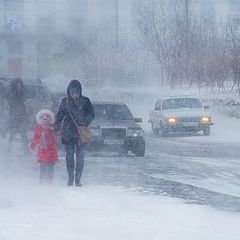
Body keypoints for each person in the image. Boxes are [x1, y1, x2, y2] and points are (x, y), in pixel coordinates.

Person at [54, 80, 94, 186]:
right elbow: (59, 116)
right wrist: (56, 127)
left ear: (79, 92)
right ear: (69, 92)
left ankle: (78, 179)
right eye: (72, 93)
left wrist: (84, 123)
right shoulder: (65, 101)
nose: (74, 95)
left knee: (80, 158)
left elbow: (91, 114)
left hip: (81, 134)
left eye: (76, 93)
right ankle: (70, 178)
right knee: (69, 157)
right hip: (68, 133)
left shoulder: (85, 101)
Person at [30, 109, 58, 184]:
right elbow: (36, 137)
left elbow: (58, 134)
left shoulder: (53, 127)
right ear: (40, 119)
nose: (45, 119)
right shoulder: (39, 128)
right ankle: (42, 181)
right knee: (43, 166)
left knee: (50, 166)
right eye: (43, 118)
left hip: (51, 150)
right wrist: (32, 146)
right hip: (43, 150)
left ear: (50, 119)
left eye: (47, 117)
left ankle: (49, 181)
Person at [6, 78, 28, 153]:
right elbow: (12, 105)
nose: (19, 86)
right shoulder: (12, 94)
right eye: (17, 84)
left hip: (21, 116)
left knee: (23, 133)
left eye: (20, 84)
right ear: (14, 85)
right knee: (13, 133)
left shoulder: (23, 93)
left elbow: (23, 105)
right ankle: (9, 148)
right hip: (14, 116)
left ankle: (26, 149)